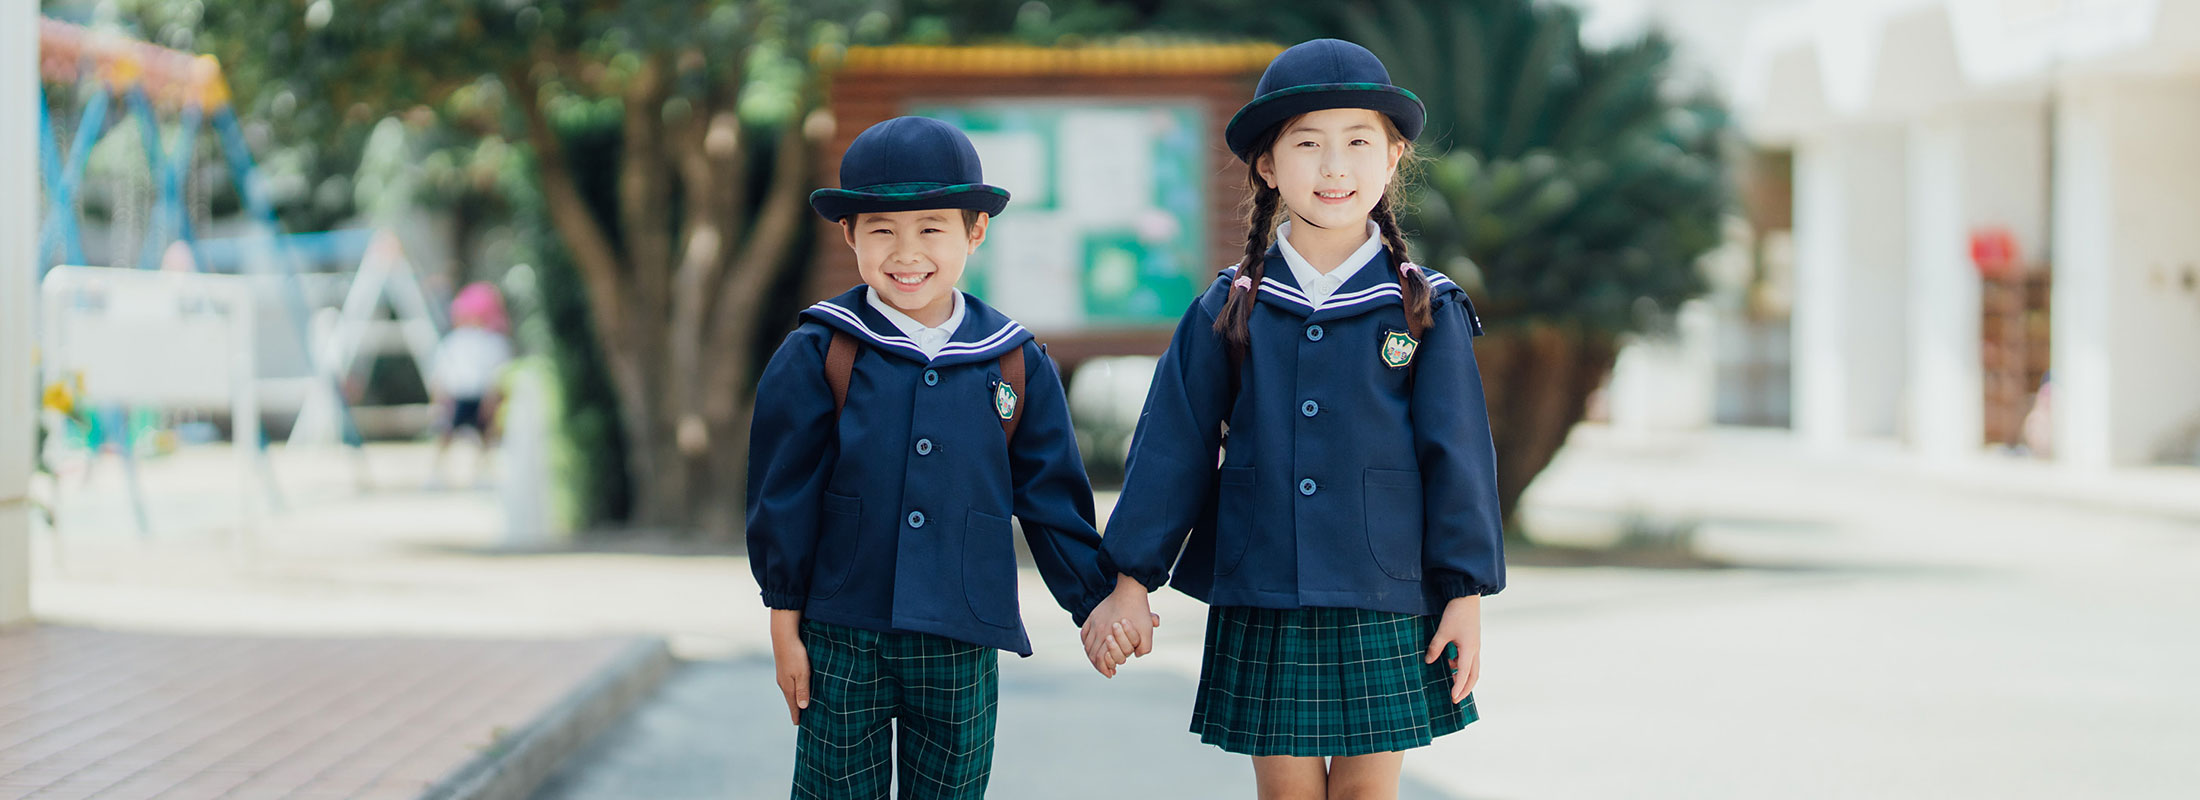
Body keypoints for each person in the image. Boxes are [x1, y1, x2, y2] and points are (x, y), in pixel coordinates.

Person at [1080, 39, 1508, 799]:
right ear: (1269, 167)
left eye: (1357, 142)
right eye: (1307, 144)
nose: (1334, 167)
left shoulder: (1424, 308)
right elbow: (1171, 445)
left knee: (1366, 795)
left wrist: (1464, 595)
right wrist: (1130, 579)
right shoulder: (1230, 305)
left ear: (1394, 157)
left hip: (1390, 594)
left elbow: (1459, 460)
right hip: (1265, 589)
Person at [745, 116, 1125, 799]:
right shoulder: (818, 352)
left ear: (975, 232)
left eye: (931, 229)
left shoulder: (1013, 359)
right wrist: (785, 624)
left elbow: (1050, 498)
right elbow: (784, 499)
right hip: (842, 635)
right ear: (850, 235)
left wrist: (1096, 603)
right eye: (883, 230)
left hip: (962, 635)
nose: (906, 252)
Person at [427, 281, 511, 488]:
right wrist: (439, 400)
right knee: (446, 435)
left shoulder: (493, 342)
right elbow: (441, 374)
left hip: (481, 396)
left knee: (485, 437)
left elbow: (498, 375)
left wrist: (493, 400)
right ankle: (437, 474)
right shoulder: (455, 340)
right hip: (457, 395)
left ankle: (482, 474)